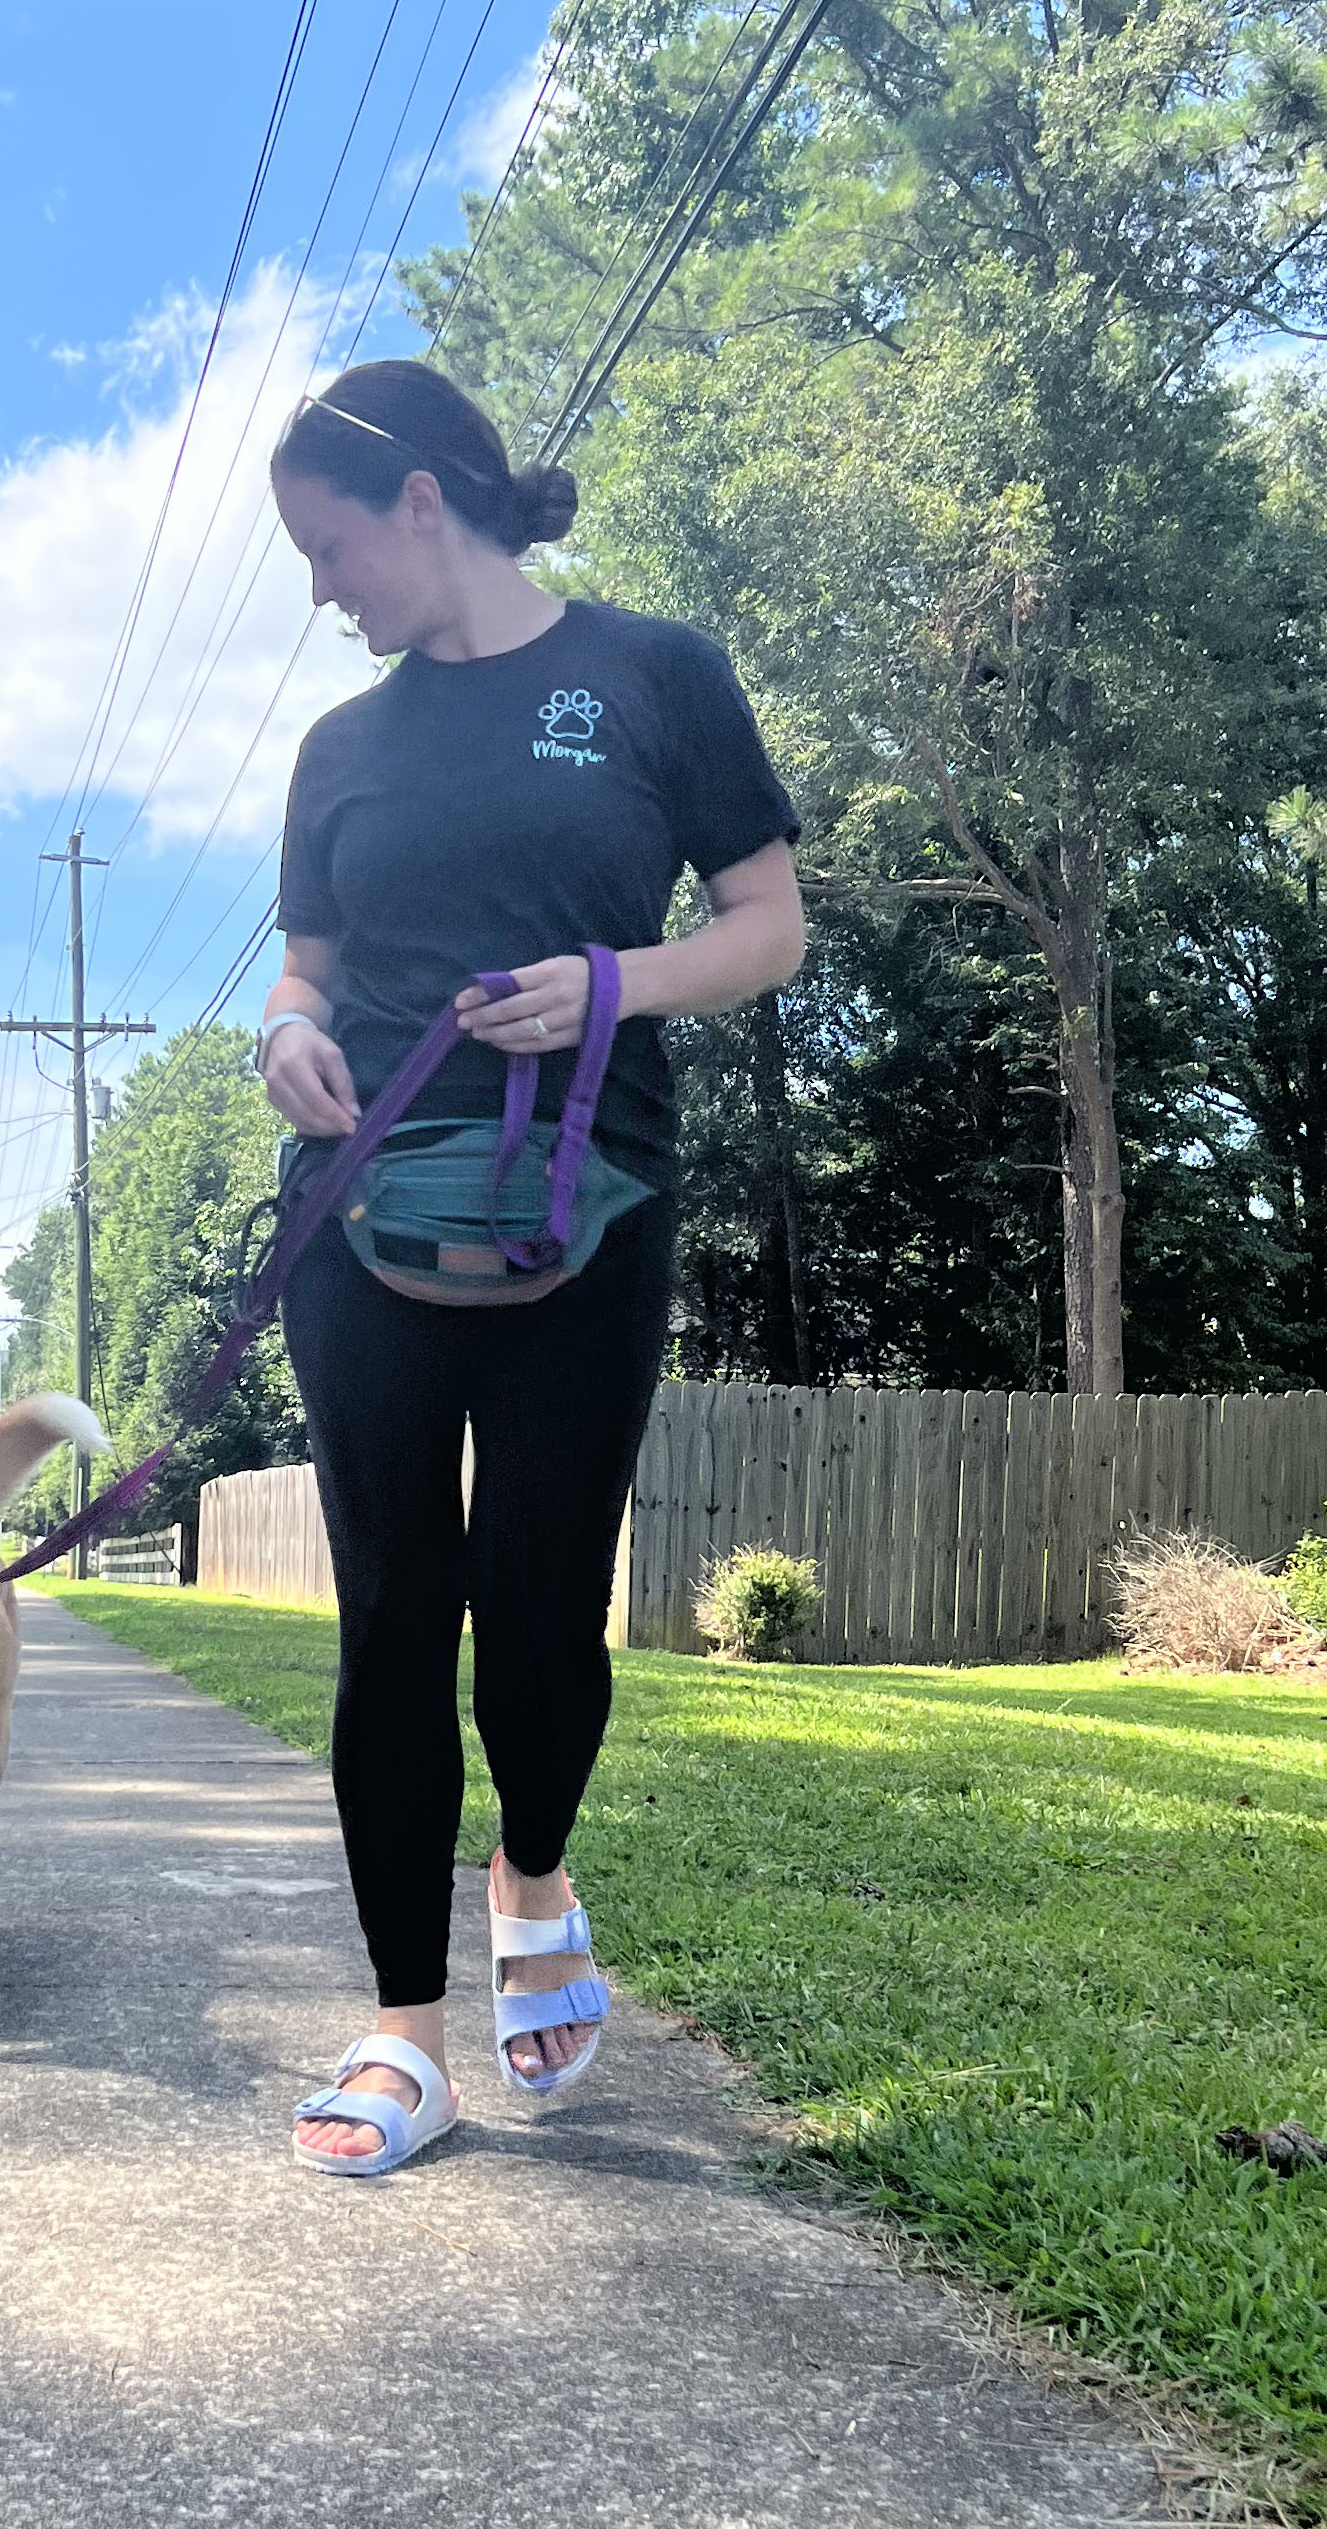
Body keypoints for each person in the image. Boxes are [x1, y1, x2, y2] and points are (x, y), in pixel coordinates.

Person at [260, 357, 804, 2176]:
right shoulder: (341, 748)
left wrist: (609, 987)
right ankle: (404, 2031)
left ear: (424, 498)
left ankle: (533, 1868)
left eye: (329, 551)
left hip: (595, 1198)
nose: (321, 594)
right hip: (364, 1208)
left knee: (546, 1597)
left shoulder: (655, 675)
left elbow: (768, 926)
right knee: (394, 1607)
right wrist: (285, 1036)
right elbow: (307, 970)